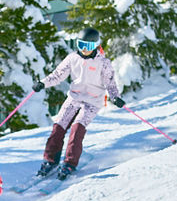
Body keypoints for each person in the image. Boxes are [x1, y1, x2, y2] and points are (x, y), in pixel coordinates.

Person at [33, 27, 125, 181]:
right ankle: (50, 160)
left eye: (88, 46)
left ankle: (69, 163)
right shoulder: (72, 58)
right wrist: (43, 84)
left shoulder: (103, 63)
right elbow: (58, 75)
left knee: (77, 129)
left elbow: (110, 83)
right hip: (74, 98)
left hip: (92, 101)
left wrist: (115, 97)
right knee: (58, 126)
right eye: (80, 44)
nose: (84, 49)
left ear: (95, 46)